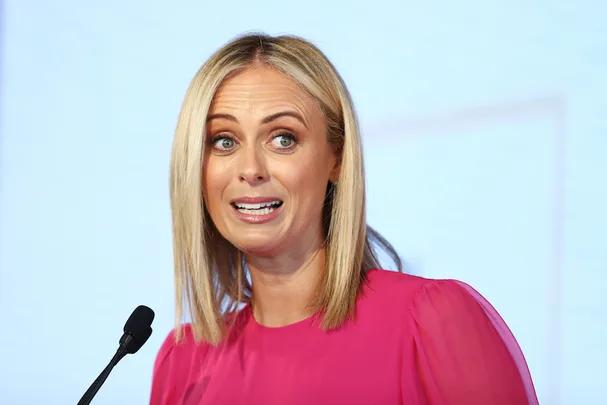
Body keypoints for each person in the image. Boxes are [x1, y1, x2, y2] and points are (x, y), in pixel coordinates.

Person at [150, 33, 539, 404]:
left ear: (336, 158)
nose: (250, 169)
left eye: (283, 138)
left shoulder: (434, 324)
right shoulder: (183, 363)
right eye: (224, 141)